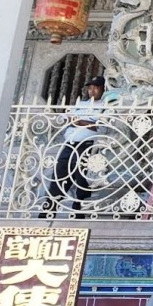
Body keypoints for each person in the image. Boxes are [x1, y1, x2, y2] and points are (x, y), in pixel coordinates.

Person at [41, 76, 106, 217]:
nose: (92, 91)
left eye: (96, 87)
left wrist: (80, 121)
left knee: (82, 176)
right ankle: (49, 209)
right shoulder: (80, 104)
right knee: (60, 174)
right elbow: (69, 118)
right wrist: (83, 122)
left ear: (102, 88)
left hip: (87, 145)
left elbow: (99, 127)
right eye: (90, 88)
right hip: (70, 144)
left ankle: (79, 209)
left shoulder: (104, 106)